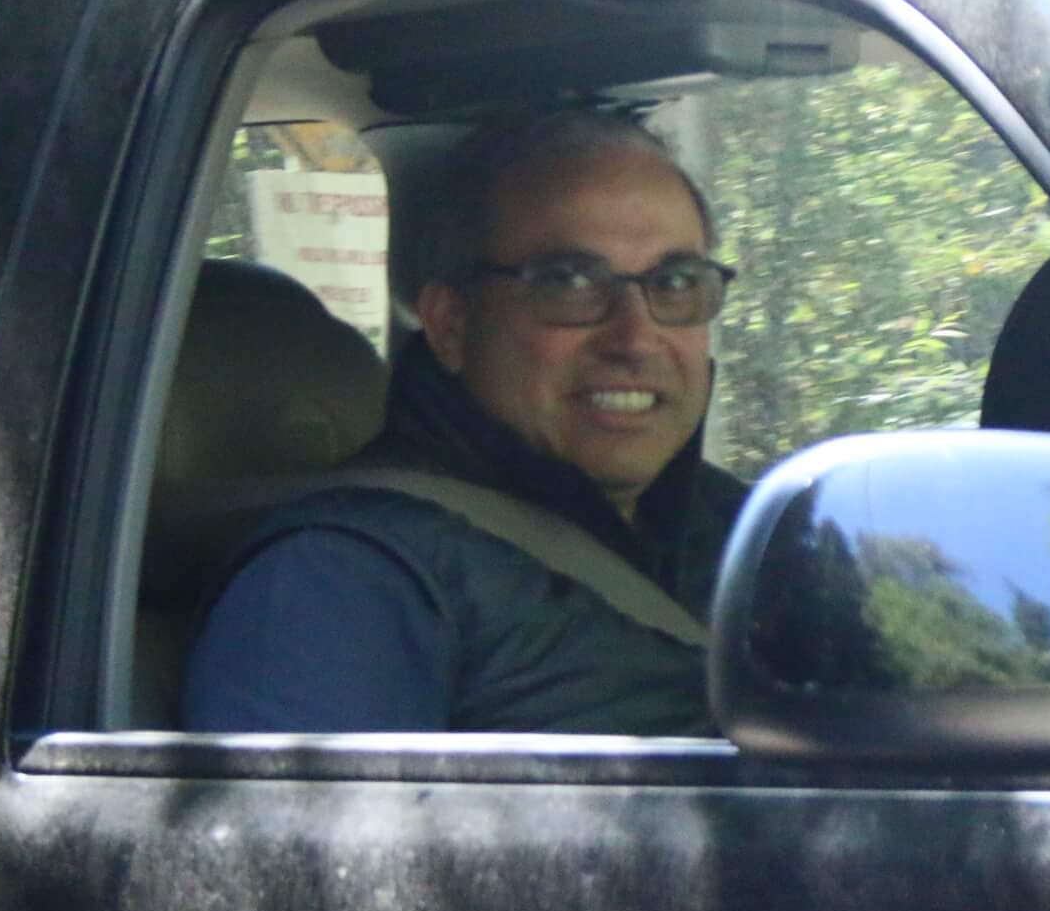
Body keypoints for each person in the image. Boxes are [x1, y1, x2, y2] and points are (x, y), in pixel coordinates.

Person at [182, 108, 747, 736]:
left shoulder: (760, 535)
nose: (635, 338)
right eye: (568, 282)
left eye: (675, 283)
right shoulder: (339, 580)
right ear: (452, 324)